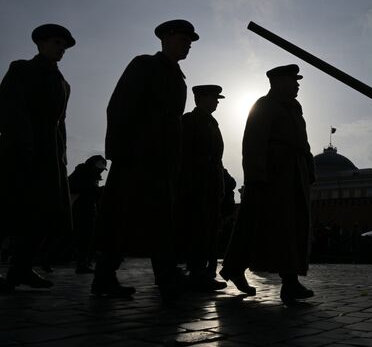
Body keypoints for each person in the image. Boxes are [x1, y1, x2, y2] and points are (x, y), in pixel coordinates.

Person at [91, 19, 199, 301]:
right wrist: (119, 150)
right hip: (137, 154)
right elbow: (119, 106)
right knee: (123, 216)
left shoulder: (178, 78)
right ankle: (108, 275)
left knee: (160, 218)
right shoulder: (144, 65)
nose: (187, 44)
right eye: (182, 38)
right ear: (165, 38)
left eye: (190, 40)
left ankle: (165, 276)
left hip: (163, 158)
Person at [220, 64, 316, 303]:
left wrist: (309, 169)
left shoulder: (294, 109)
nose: (297, 84)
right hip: (274, 177)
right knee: (260, 226)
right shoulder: (265, 105)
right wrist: (256, 177)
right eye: (293, 80)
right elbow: (253, 142)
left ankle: (289, 281)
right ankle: (283, 280)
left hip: (293, 176)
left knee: (289, 227)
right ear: (280, 82)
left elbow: (303, 144)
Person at [0, 24, 75, 292]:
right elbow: (9, 107)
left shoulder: (63, 83)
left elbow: (61, 123)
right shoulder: (22, 68)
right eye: (56, 43)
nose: (61, 49)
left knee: (43, 212)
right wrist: (21, 143)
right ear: (41, 43)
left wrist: (61, 154)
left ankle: (21, 268)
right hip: (20, 148)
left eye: (64, 46)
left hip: (50, 153)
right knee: (9, 208)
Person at [178, 85, 227, 291]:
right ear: (202, 98)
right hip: (196, 183)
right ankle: (196, 272)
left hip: (211, 183)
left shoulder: (212, 124)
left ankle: (205, 272)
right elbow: (183, 154)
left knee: (208, 229)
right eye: (214, 98)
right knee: (196, 228)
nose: (217, 101)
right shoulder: (190, 120)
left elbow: (217, 159)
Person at [69, 155, 107, 273]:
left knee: (87, 238)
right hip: (79, 209)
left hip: (89, 210)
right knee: (82, 238)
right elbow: (74, 187)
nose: (100, 170)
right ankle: (82, 264)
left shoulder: (92, 176)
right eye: (99, 167)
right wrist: (96, 190)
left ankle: (84, 263)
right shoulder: (81, 173)